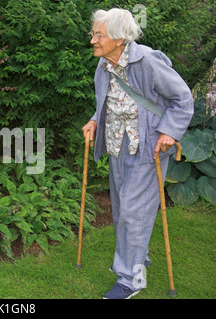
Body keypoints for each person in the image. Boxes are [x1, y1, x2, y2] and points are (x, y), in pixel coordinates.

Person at [81, 8, 194, 299]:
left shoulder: (147, 62)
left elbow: (182, 98)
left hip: (149, 148)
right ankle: (135, 258)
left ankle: (131, 279)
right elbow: (109, 99)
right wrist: (95, 119)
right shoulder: (104, 64)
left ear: (119, 39)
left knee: (134, 212)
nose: (92, 40)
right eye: (93, 33)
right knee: (123, 212)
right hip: (119, 146)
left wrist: (170, 131)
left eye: (99, 35)